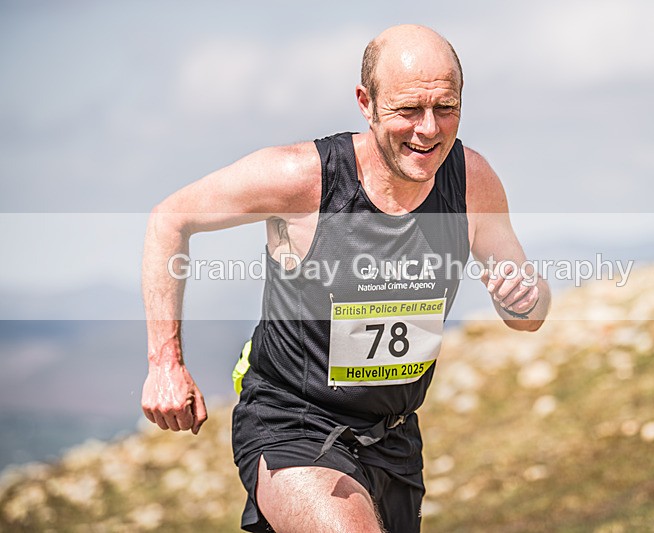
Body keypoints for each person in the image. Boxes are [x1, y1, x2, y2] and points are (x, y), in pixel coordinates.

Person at [141, 24, 550, 533]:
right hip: (293, 420)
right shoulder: (304, 178)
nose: (429, 129)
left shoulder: (471, 181)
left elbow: (528, 315)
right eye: (408, 111)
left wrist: (524, 297)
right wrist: (166, 362)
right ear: (366, 102)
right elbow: (169, 219)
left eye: (445, 108)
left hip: (393, 436)